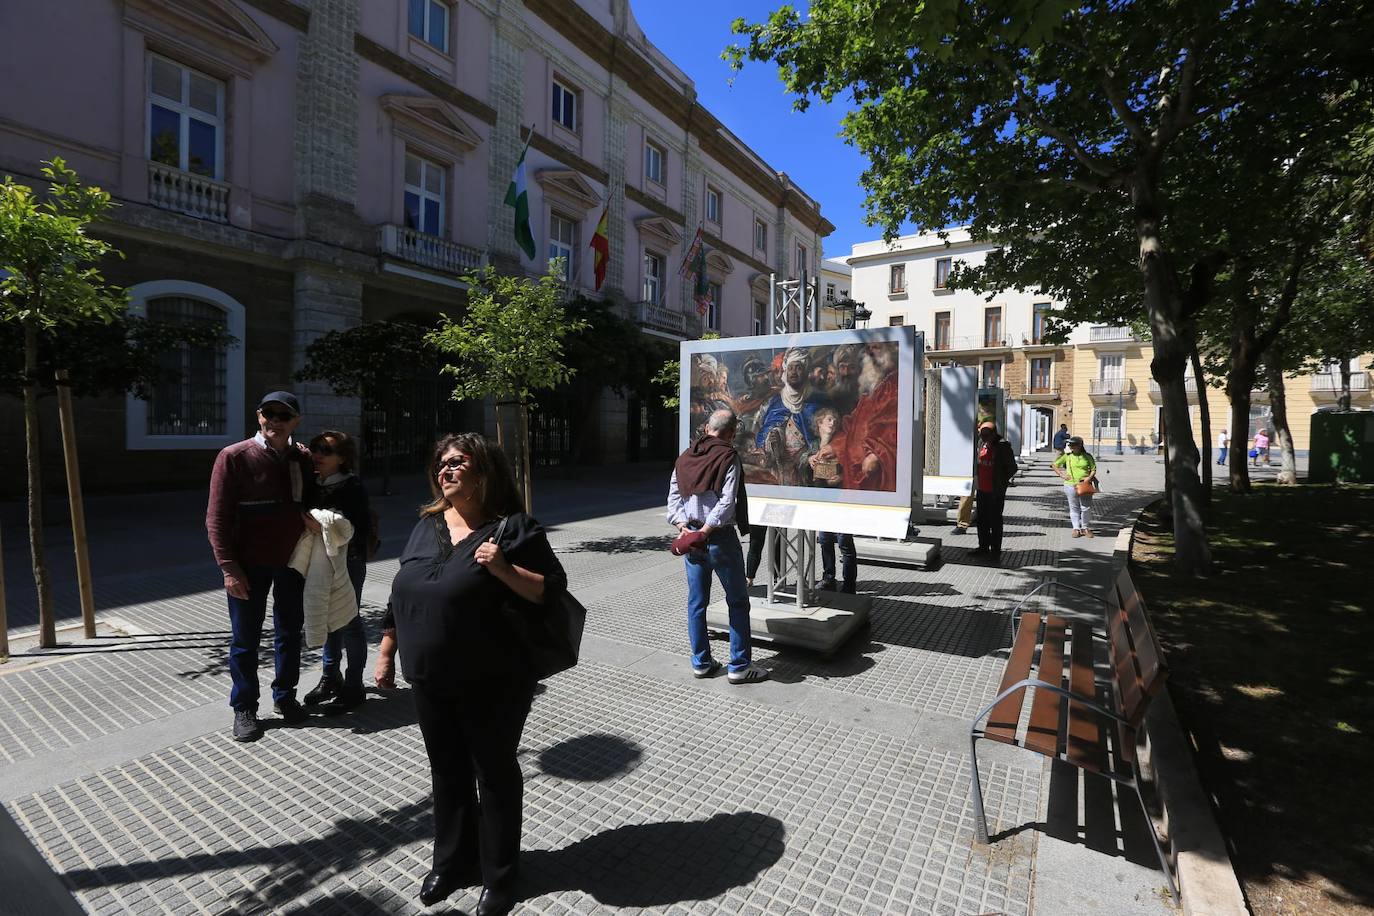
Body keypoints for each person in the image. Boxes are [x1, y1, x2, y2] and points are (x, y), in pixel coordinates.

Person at [384, 433, 566, 914]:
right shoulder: (427, 525)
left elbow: (550, 590)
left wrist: (504, 568)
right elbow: (403, 588)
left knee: (494, 771)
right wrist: (386, 650)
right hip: (429, 676)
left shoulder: (514, 528)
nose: (444, 470)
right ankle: (451, 862)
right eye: (440, 464)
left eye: (456, 462)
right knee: (447, 771)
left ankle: (500, 875)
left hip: (493, 678)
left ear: (483, 471)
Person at [206, 391, 316, 742]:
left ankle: (285, 697)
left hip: (293, 562)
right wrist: (228, 568)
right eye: (269, 413)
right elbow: (217, 517)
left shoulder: (302, 457)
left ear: (296, 421)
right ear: (258, 416)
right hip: (248, 565)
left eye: (284, 416)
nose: (275, 421)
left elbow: (310, 502)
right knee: (245, 639)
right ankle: (244, 707)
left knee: (290, 632)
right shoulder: (234, 456)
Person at [668, 408, 769, 685]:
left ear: (707, 428)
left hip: (691, 539)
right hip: (719, 539)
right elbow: (727, 502)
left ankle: (701, 663)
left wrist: (684, 528)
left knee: (696, 603)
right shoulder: (728, 456)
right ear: (731, 433)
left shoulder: (686, 457)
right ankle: (739, 666)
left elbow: (673, 497)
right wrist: (706, 531)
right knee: (737, 601)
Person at [302, 430, 372, 715]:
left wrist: (324, 526)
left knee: (350, 621)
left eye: (326, 450)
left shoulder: (352, 486)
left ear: (342, 458)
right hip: (321, 562)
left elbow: (358, 529)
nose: (317, 454)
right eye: (315, 448)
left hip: (348, 562)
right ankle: (330, 678)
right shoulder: (314, 483)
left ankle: (354, 686)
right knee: (330, 619)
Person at [971, 421, 1018, 557]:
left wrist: (1001, 481)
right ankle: (983, 547)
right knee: (982, 520)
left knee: (995, 521)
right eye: (981, 434)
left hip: (995, 491)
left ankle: (995, 550)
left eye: (986, 435)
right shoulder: (982, 444)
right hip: (982, 489)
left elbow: (1012, 468)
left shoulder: (1003, 446)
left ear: (993, 434)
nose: (983, 437)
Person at [1052, 436, 1098, 538]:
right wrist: (1062, 475)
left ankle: (1085, 528)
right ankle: (1076, 528)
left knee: (1086, 508)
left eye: (1073, 445)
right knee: (1074, 507)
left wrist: (1089, 478)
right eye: (1070, 445)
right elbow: (1054, 465)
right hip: (1070, 485)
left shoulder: (1087, 456)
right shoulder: (1067, 456)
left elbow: (1093, 469)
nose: (1070, 446)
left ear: (1080, 445)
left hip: (1084, 485)